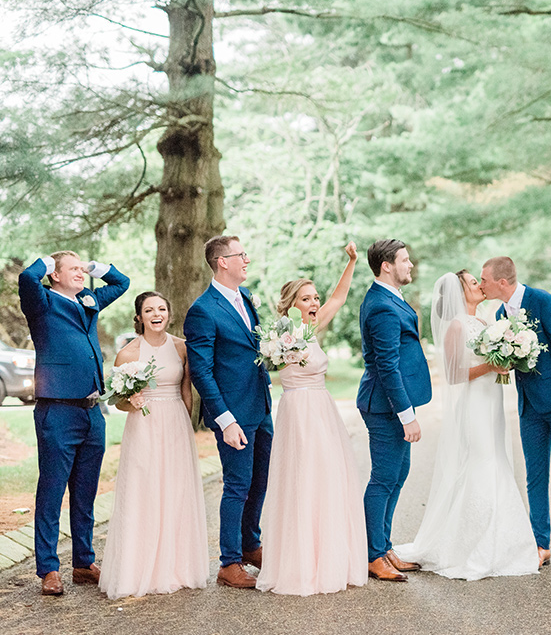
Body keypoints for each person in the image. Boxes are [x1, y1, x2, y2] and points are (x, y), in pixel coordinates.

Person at [394, 271, 540, 580]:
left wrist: (510, 357)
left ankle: (504, 543)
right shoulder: (457, 326)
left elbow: (496, 361)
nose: (480, 285)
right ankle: (473, 544)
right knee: (482, 462)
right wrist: (491, 365)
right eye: (474, 282)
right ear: (461, 292)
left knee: (497, 459)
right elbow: (453, 374)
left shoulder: (487, 324)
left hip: (492, 401)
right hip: (473, 404)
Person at [256, 243, 368, 595]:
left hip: (322, 410)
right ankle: (301, 563)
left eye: (314, 297)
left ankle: (331, 556)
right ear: (290, 304)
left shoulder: (313, 329)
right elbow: (272, 366)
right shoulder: (278, 337)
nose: (314, 303)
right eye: (306, 299)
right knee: (302, 479)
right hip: (297, 412)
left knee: (328, 478)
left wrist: (351, 262)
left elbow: (339, 297)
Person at [18, 251, 129, 596]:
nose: (81, 273)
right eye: (74, 269)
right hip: (58, 410)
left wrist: (92, 267)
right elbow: (26, 278)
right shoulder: (43, 303)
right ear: (54, 275)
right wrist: (49, 262)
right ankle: (49, 568)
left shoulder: (89, 300)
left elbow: (121, 282)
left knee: (86, 492)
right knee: (52, 491)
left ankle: (83, 562)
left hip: (92, 411)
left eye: (84, 269)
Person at [480, 256, 551, 575]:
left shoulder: (543, 301)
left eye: (484, 279)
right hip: (529, 406)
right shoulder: (500, 314)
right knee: (534, 477)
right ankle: (540, 544)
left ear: (502, 282)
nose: (480, 284)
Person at [99, 292, 207, 599]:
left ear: (169, 314)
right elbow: (117, 402)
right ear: (140, 317)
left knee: (175, 492)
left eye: (161, 308)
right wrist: (130, 402)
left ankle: (177, 567)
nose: (156, 314)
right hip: (144, 426)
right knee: (143, 491)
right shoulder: (128, 354)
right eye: (149, 310)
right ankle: (139, 568)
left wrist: (186, 427)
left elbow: (186, 391)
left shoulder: (181, 348)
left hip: (175, 423)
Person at [184, 236, 272, 589]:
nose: (247, 259)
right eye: (241, 255)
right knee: (237, 486)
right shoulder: (202, 310)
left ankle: (251, 545)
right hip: (234, 413)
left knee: (260, 481)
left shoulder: (245, 298)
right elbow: (201, 371)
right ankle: (228, 562)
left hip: (260, 406)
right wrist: (226, 420)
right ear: (223, 261)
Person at [357, 239, 432, 582]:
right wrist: (406, 415)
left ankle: (384, 547)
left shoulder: (391, 299)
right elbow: (386, 366)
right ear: (386, 266)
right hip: (384, 405)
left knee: (397, 476)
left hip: (392, 403)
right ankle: (373, 555)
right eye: (404, 260)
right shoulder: (382, 306)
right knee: (384, 478)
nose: (410, 264)